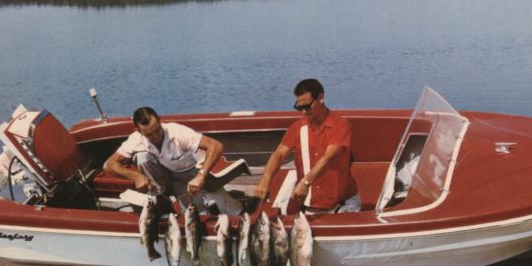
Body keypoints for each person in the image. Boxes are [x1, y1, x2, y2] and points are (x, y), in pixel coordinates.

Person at [104, 106, 242, 216]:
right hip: (159, 180)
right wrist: (136, 176)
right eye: (149, 134)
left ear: (159, 119)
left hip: (187, 176)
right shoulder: (135, 139)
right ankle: (159, 198)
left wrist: (201, 175)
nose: (155, 136)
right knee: (142, 157)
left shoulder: (178, 132)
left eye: (157, 130)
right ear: (138, 131)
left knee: (197, 214)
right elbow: (109, 165)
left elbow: (216, 146)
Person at [255, 79, 361, 213]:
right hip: (312, 202)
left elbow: (329, 158)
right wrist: (265, 180)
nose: (304, 112)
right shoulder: (297, 128)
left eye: (307, 107)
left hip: (343, 202)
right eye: (299, 108)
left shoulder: (341, 125)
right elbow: (279, 154)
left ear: (321, 98)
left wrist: (305, 183)